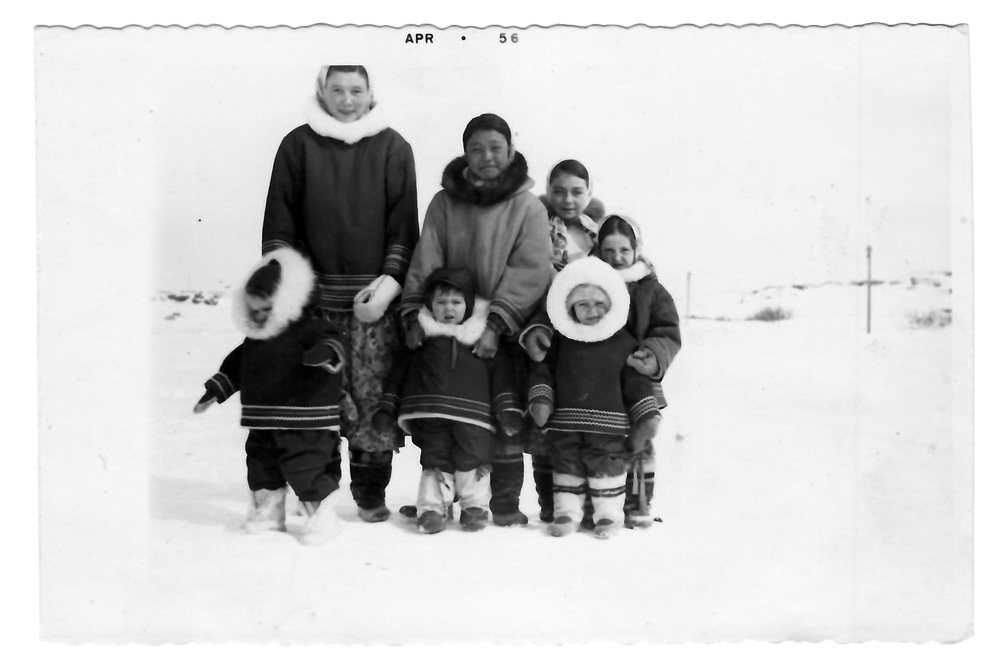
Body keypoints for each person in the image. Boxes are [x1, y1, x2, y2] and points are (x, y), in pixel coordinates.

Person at [260, 65, 419, 522]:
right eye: (337, 90)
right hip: (313, 301)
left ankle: (370, 494)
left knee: (370, 402)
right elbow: (279, 225)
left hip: (372, 303)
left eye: (355, 90)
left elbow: (403, 227)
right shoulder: (297, 145)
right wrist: (288, 291)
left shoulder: (393, 147)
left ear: (371, 94)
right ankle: (316, 493)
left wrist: (389, 284)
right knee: (317, 400)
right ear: (321, 92)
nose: (346, 100)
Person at [399, 113, 552, 526]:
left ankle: (500, 502)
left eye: (496, 147)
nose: (487, 156)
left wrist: (495, 324)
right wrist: (417, 313)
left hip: (501, 329)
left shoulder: (527, 207)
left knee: (503, 417)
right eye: (477, 148)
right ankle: (437, 498)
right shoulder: (445, 203)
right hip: (451, 326)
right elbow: (426, 258)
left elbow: (531, 269)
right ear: (465, 152)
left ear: (511, 150)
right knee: (445, 417)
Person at [523, 214, 682, 527]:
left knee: (635, 443)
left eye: (624, 250)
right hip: (583, 376)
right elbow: (554, 309)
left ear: (637, 248)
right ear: (599, 250)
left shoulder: (650, 288)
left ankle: (635, 506)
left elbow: (667, 328)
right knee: (565, 439)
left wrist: (653, 352)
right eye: (609, 251)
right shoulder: (582, 277)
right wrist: (539, 329)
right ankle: (561, 505)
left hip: (632, 373)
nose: (617, 257)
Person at [193, 248, 348, 546]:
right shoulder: (254, 340)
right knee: (262, 467)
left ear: (285, 302)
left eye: (267, 309)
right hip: (263, 420)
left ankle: (322, 515)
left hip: (306, 419)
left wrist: (325, 353)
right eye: (255, 311)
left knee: (306, 468)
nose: (262, 317)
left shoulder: (309, 327)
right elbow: (237, 365)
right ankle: (268, 511)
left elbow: (336, 343)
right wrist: (216, 390)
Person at [374, 268, 524, 533]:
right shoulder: (421, 338)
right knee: (435, 457)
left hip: (475, 415)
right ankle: (432, 508)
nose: (448, 309)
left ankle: (474, 507)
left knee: (473, 458)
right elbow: (400, 372)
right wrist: (387, 407)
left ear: (468, 305)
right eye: (441, 302)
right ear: (430, 305)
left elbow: (500, 375)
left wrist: (507, 409)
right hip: (431, 411)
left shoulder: (481, 339)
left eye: (456, 302)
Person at [540, 159, 606, 271]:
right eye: (559, 191)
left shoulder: (601, 232)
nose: (568, 200)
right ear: (548, 192)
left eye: (577, 192)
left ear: (589, 194)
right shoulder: (535, 230)